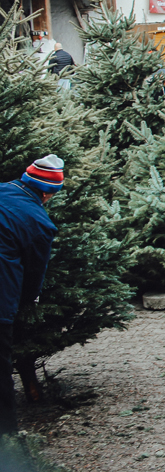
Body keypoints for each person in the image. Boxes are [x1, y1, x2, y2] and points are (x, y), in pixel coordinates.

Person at [0, 154, 64, 435]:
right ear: (48, 193)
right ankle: (7, 439)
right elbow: (33, 275)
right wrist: (28, 301)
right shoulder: (39, 223)